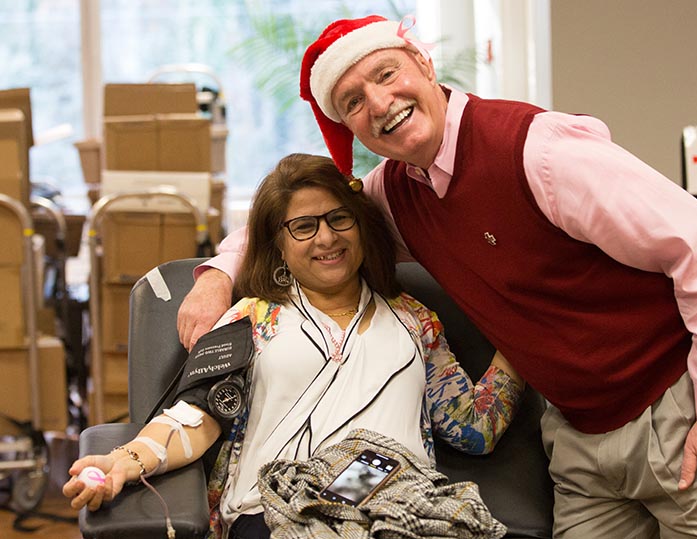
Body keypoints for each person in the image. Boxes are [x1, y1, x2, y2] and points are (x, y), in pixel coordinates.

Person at [177, 14, 697, 539]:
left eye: (386, 75)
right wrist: (214, 278)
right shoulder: (396, 194)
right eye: (353, 101)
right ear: (351, 131)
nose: (379, 104)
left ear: (422, 62)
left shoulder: (539, 152)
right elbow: (289, 219)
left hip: (678, 403)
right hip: (576, 433)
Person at [64, 153, 524, 539]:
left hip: (394, 506)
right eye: (303, 227)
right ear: (279, 245)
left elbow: (472, 426)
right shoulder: (253, 317)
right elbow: (197, 415)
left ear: (360, 225)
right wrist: (124, 461)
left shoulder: (415, 319)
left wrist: (529, 333)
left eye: (338, 218)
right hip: (274, 508)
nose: (326, 238)